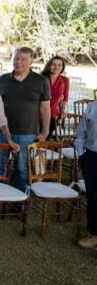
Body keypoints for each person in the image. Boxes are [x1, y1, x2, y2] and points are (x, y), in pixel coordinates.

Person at [0, 47, 51, 192]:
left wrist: (45, 131)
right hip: (1, 131)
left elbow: (45, 108)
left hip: (27, 132)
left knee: (22, 168)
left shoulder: (41, 81)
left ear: (31, 61)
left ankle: (21, 197)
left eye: (23, 59)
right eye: (16, 58)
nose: (19, 62)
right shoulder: (3, 79)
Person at [74, 101, 97, 250]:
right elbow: (81, 134)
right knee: (93, 197)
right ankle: (94, 234)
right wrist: (82, 156)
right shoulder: (92, 108)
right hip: (92, 157)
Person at [41, 56, 70, 139]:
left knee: (44, 140)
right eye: (54, 64)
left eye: (59, 65)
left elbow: (65, 98)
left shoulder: (65, 80)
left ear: (62, 67)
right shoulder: (41, 78)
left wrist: (62, 109)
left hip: (53, 115)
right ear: (49, 65)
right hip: (37, 114)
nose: (56, 67)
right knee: (33, 141)